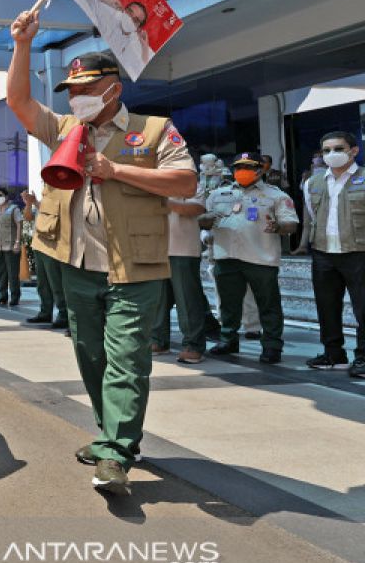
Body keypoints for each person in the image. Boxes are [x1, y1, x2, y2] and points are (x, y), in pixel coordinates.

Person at [7, 10, 197, 497]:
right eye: (72, 91)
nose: (76, 98)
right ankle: (111, 433)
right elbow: (20, 102)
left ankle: (115, 451)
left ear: (113, 87)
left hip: (135, 269)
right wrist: (23, 45)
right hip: (77, 266)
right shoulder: (67, 128)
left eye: (84, 88)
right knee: (90, 354)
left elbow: (184, 181)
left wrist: (116, 170)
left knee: (128, 358)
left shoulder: (154, 131)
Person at [200, 152, 299, 364]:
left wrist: (279, 227)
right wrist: (204, 220)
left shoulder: (276, 195)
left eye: (247, 167)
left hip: (261, 258)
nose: (241, 172)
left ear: (259, 169)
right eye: (238, 167)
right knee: (228, 305)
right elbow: (203, 220)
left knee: (269, 305)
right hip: (226, 256)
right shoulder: (218, 194)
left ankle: (272, 346)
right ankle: (228, 340)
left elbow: (291, 223)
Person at [296, 132, 365, 378]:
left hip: (359, 252)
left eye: (338, 148)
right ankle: (333, 354)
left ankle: (363, 357)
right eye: (326, 150)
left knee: (363, 309)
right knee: (327, 307)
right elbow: (312, 219)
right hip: (324, 253)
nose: (331, 154)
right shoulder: (313, 183)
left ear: (353, 151)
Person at [152, 181, 209, 362]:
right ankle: (157, 340)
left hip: (182, 249)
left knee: (187, 300)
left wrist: (165, 203)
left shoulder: (191, 183)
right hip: (155, 249)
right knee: (157, 299)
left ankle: (193, 344)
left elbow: (196, 208)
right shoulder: (149, 182)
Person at [22, 190, 69, 329]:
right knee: (42, 283)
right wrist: (30, 203)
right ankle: (45, 311)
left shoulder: (60, 197)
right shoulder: (42, 201)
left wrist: (35, 202)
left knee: (56, 283)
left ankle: (63, 314)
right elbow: (28, 217)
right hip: (39, 245)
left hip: (52, 246)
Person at [0, 187, 22, 307]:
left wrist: (18, 241)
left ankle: (15, 297)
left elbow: (19, 225)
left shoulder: (14, 209)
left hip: (11, 247)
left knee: (12, 273)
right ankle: (2, 296)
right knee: (1, 273)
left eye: (0, 195)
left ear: (6, 197)